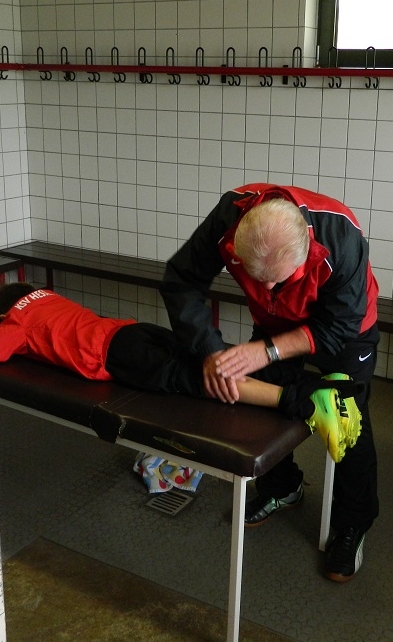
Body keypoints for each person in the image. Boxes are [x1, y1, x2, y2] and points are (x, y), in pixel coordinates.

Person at [161, 183, 380, 583]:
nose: (265, 289)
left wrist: (267, 351)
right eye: (255, 278)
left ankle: (353, 523)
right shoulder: (229, 216)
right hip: (276, 320)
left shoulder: (340, 235)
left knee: (348, 420)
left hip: (346, 330)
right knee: (257, 400)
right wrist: (210, 350)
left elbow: (338, 328)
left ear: (306, 252)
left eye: (277, 281)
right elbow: (181, 280)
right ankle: (283, 487)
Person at [0, 282, 363, 461]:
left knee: (203, 379)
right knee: (221, 359)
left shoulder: (16, 320)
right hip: (133, 331)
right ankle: (319, 382)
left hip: (115, 355)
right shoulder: (49, 297)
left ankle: (307, 403)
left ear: (5, 312)